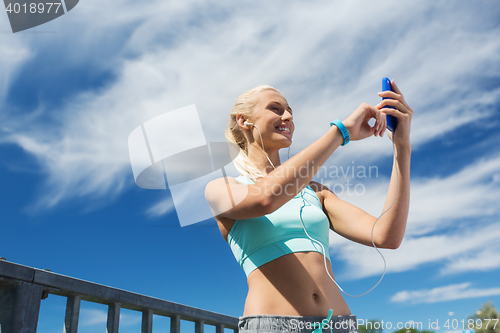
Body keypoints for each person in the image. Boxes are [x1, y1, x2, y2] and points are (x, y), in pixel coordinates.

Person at [205, 83, 412, 333]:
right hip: (273, 326)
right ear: (244, 120)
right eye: (276, 109)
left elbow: (385, 235)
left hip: (339, 326)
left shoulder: (316, 192)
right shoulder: (222, 188)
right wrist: (340, 132)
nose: (288, 117)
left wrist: (401, 147)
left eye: (290, 111)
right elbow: (265, 200)